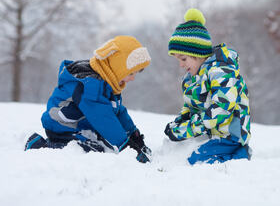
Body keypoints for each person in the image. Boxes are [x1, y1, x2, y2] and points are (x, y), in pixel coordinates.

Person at [24, 35, 152, 163]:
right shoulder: (90, 84)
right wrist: (126, 145)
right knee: (91, 152)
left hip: (83, 126)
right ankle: (39, 146)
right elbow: (102, 117)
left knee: (100, 146)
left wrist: (133, 134)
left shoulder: (109, 82)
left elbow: (117, 111)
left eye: (136, 73)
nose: (133, 78)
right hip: (62, 127)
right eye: (130, 73)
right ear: (117, 68)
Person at [164, 8, 251, 165]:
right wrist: (179, 122)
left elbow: (221, 110)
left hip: (230, 136)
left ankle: (240, 154)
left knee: (194, 160)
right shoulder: (191, 80)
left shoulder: (221, 72)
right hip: (211, 134)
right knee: (179, 153)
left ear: (198, 55)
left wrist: (187, 130)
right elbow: (190, 108)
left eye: (183, 59)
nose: (181, 65)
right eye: (178, 60)